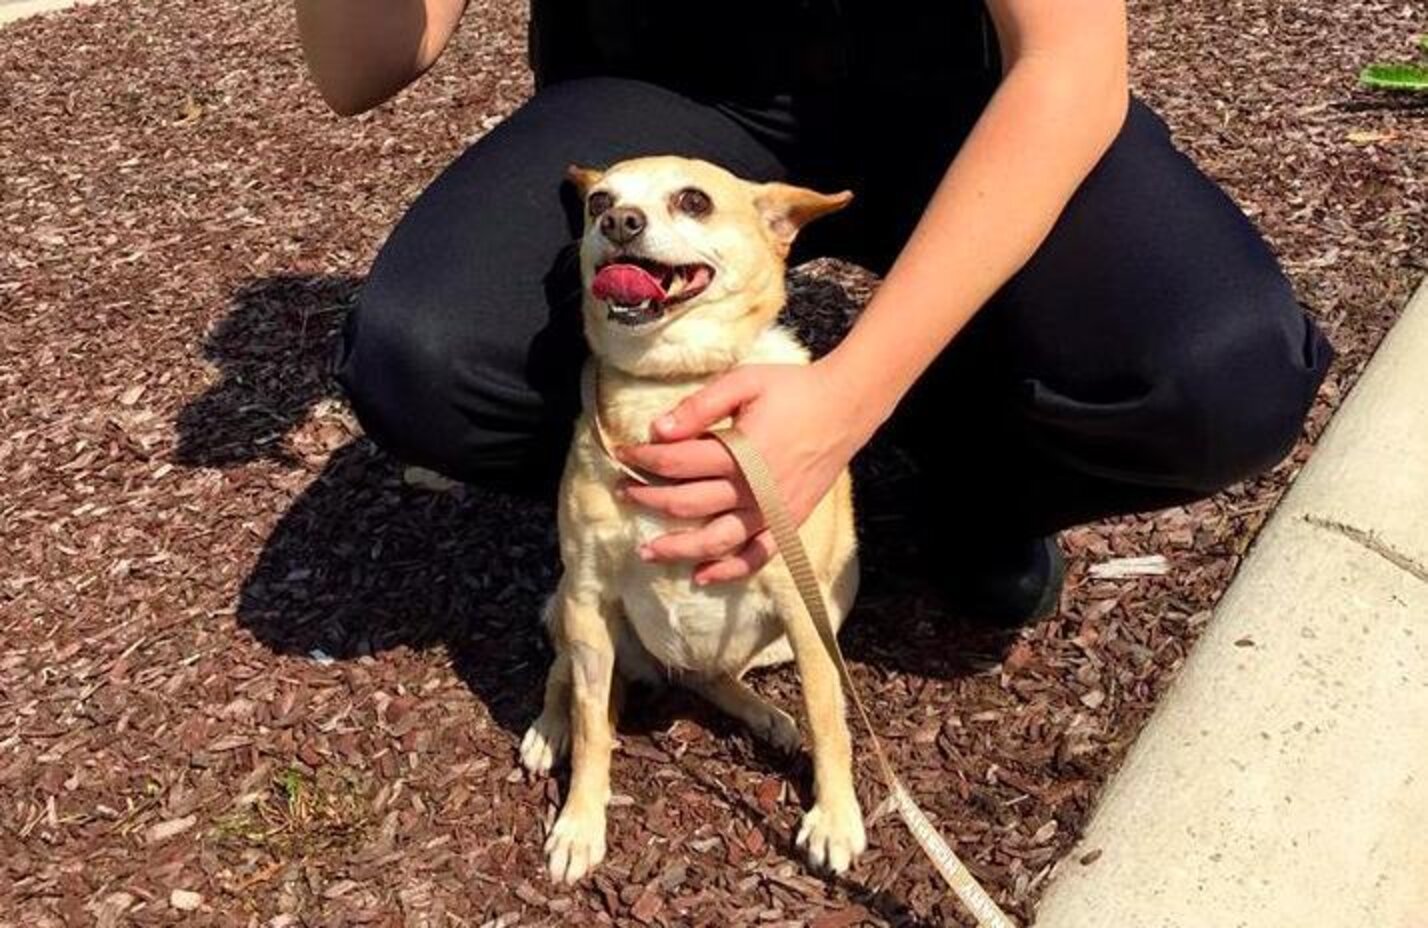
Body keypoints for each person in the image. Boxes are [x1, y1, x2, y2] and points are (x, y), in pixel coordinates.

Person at [299, 1, 1331, 623]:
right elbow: (361, 67)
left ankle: (974, 480)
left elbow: (1070, 65)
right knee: (425, 358)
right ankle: (663, 519)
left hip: (959, 91)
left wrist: (847, 397)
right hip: (664, 83)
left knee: (1211, 380)